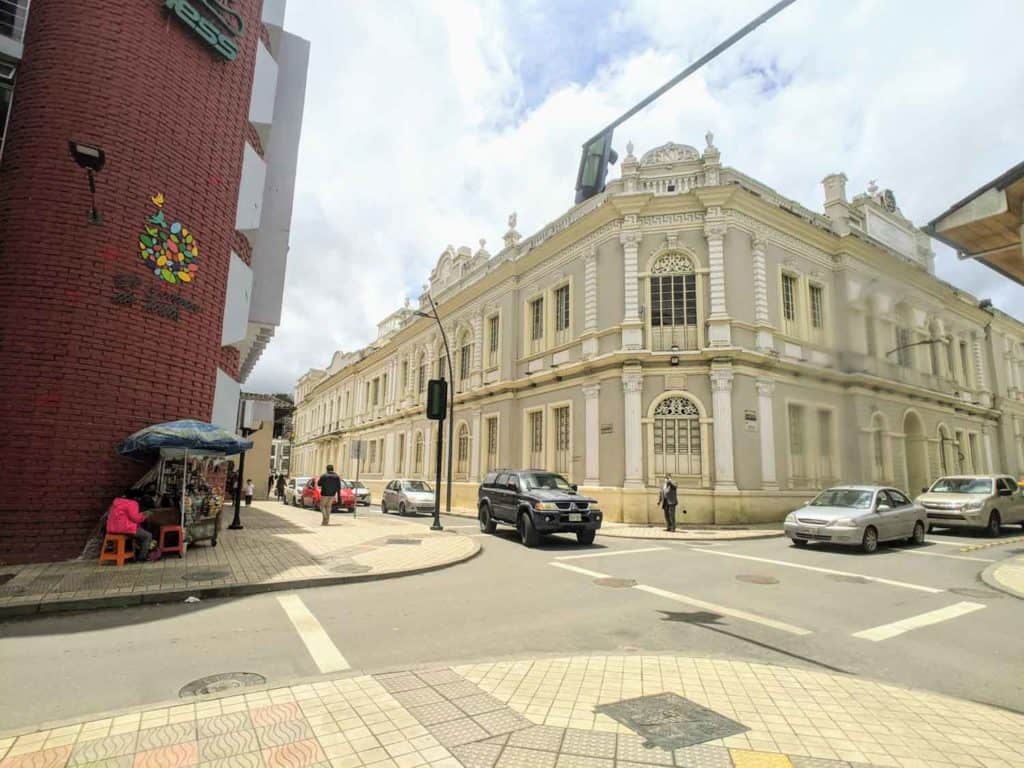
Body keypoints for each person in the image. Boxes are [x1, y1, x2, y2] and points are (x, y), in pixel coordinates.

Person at [107, 496, 158, 562]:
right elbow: (135, 518)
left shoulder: (118, 502)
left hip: (112, 528)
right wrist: (145, 515)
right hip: (124, 529)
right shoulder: (133, 503)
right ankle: (142, 558)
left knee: (140, 534)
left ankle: (133, 555)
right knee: (147, 536)